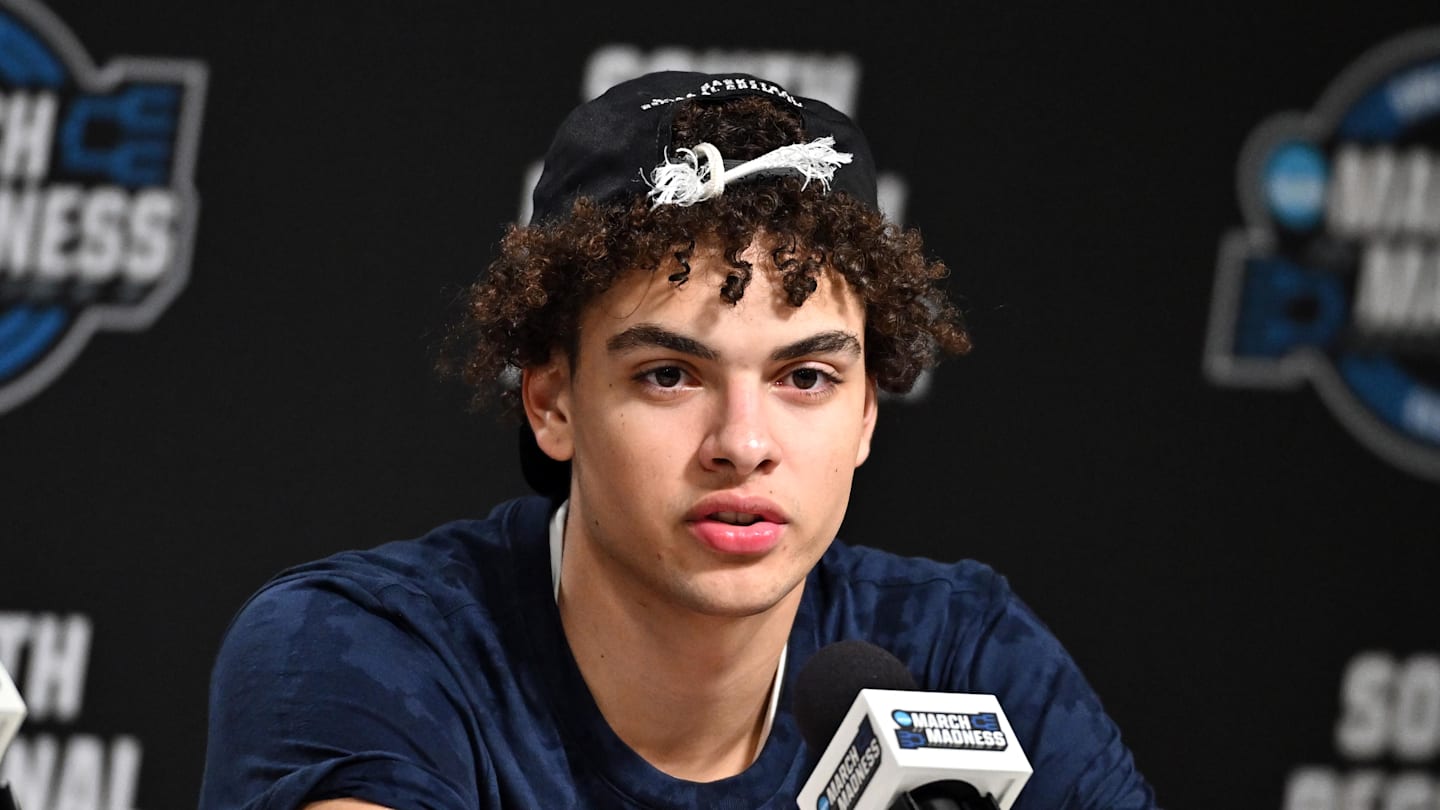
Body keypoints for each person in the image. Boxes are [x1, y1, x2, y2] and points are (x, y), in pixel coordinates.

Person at [199, 71, 1158, 809]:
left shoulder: (960, 657)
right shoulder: (367, 649)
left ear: (868, 412)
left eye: (806, 378)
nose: (743, 443)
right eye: (670, 376)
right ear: (552, 403)